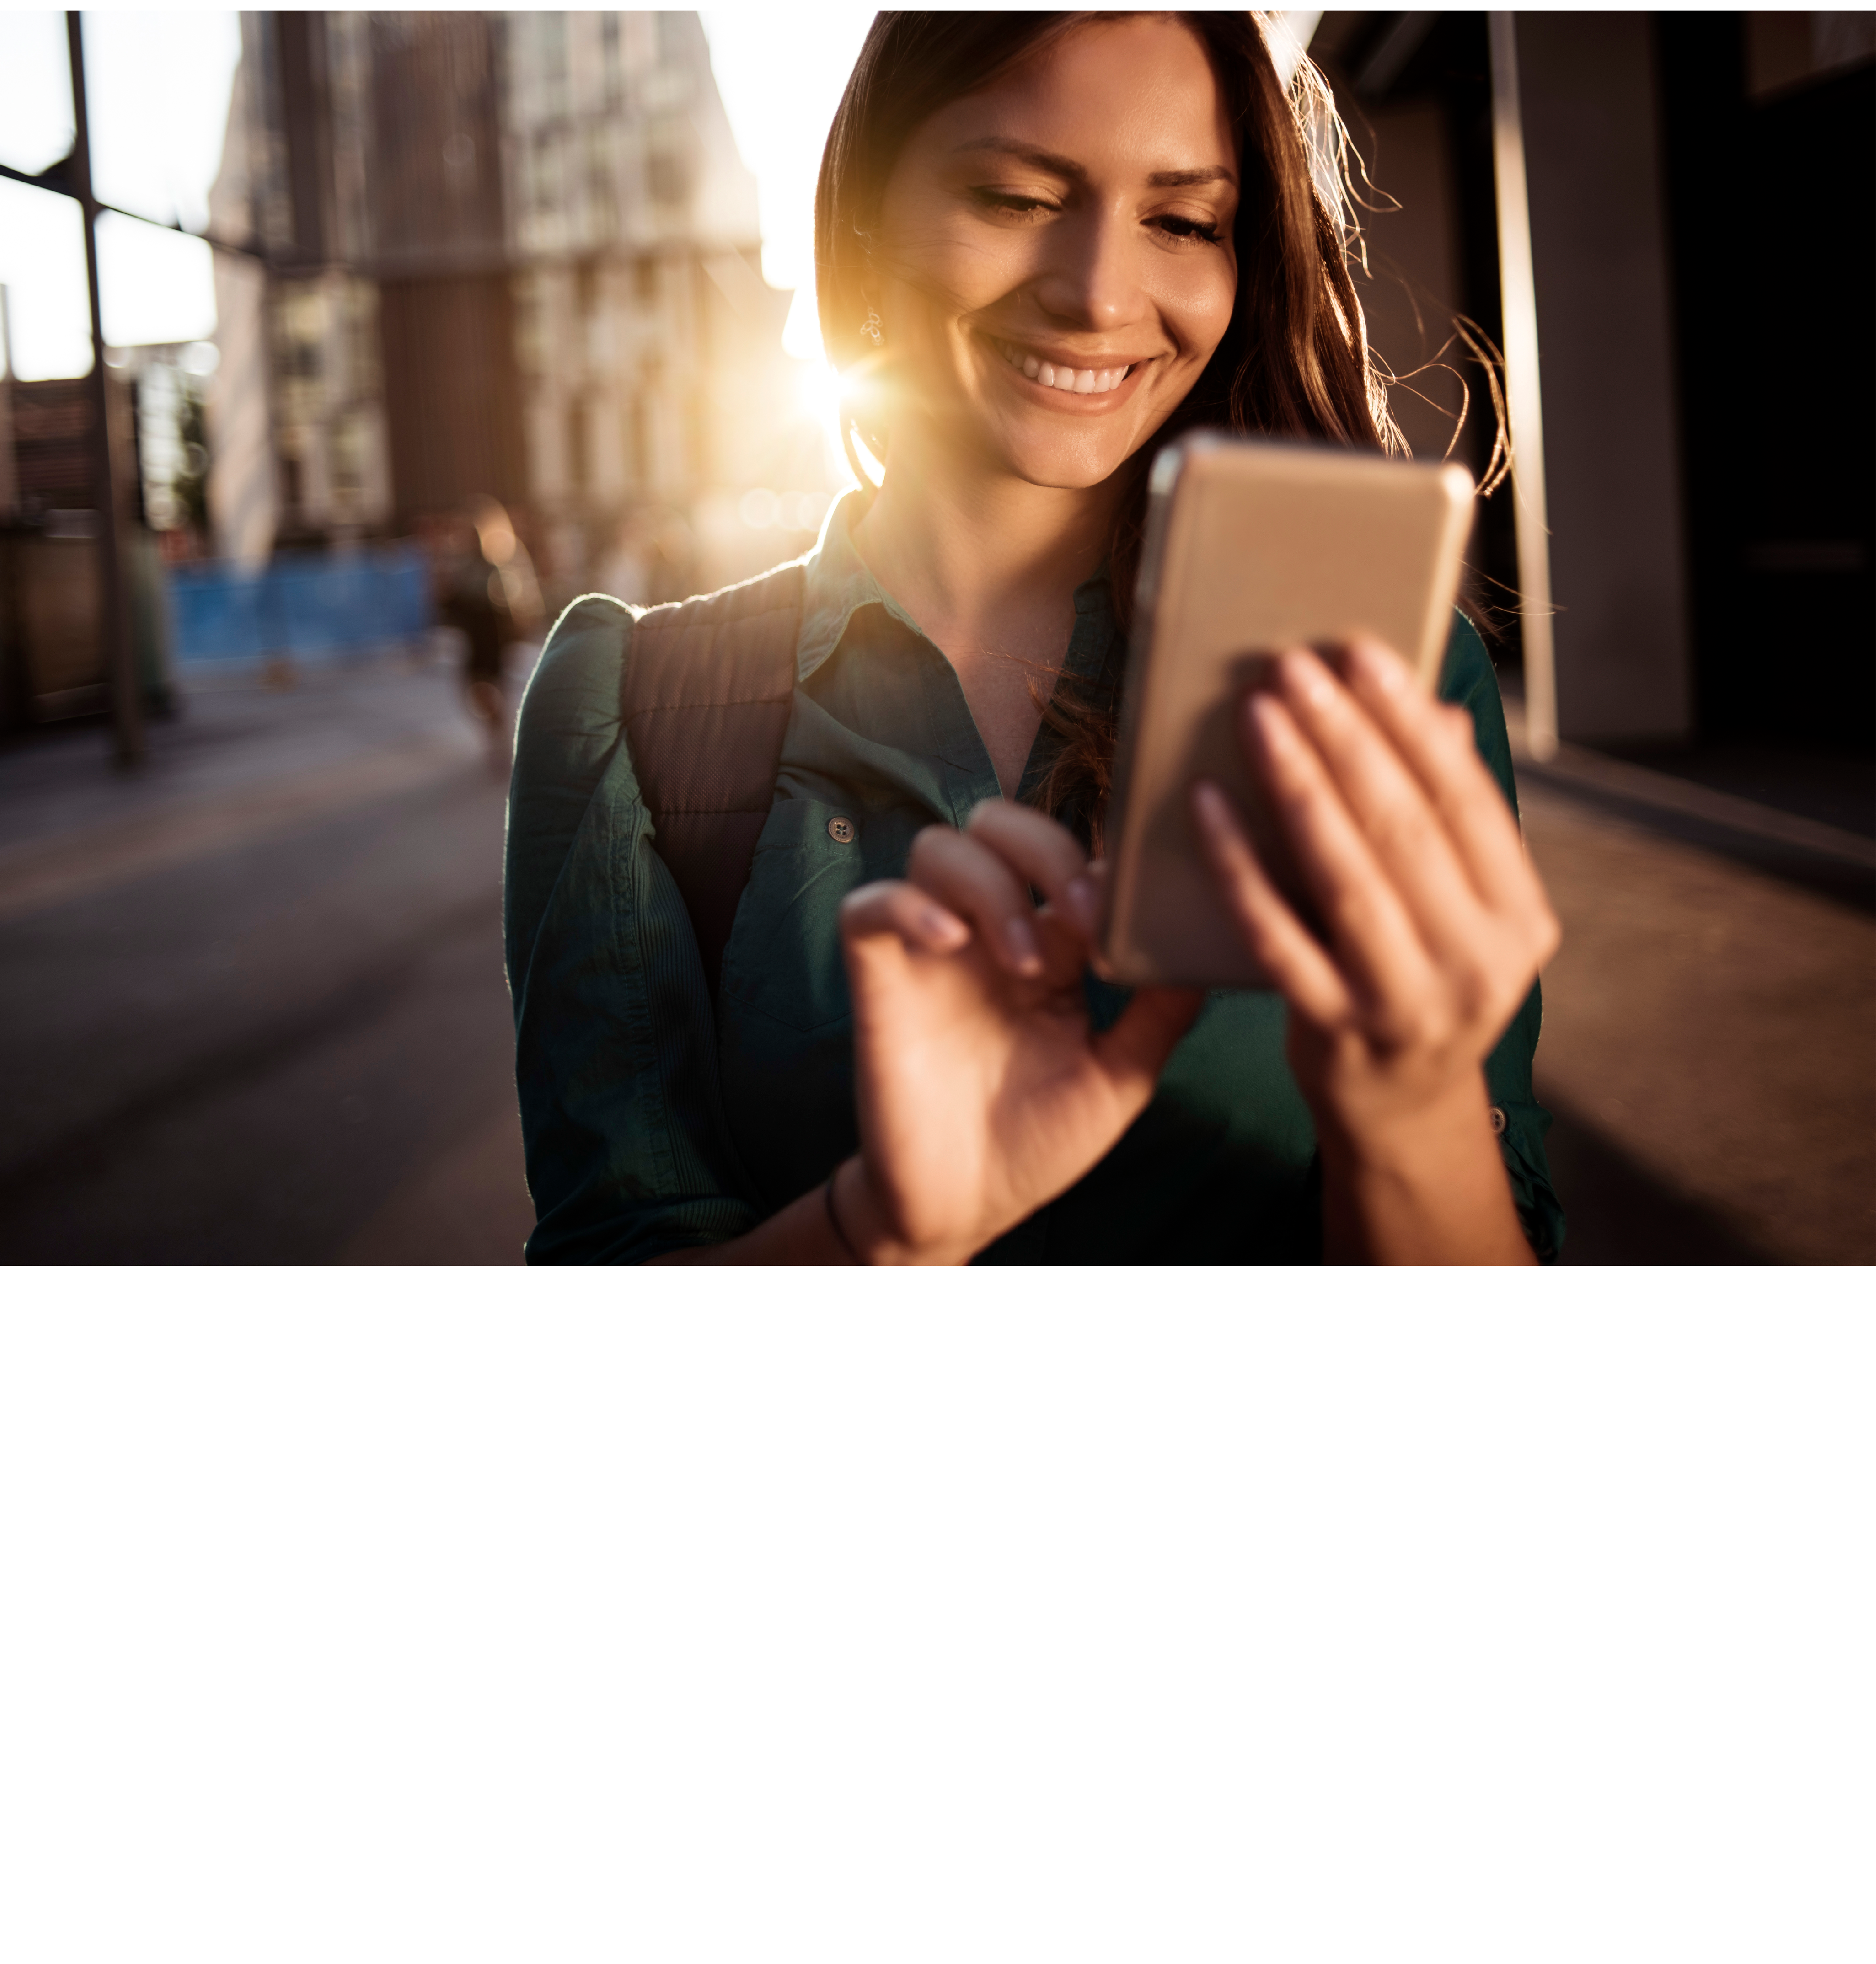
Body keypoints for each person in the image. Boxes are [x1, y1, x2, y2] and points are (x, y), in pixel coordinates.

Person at [505, 11, 1564, 1265]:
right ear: (861, 212)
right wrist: (879, 1229)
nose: (1098, 293)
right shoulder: (632, 707)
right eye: (1012, 196)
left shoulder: (1372, 677)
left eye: (1180, 221)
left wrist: (1412, 1112)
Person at [439, 497, 542, 769]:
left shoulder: (498, 559)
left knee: (491, 688)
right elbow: (452, 600)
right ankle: (497, 735)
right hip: (476, 635)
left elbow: (513, 597)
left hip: (492, 633)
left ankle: (499, 739)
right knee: (476, 690)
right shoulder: (463, 562)